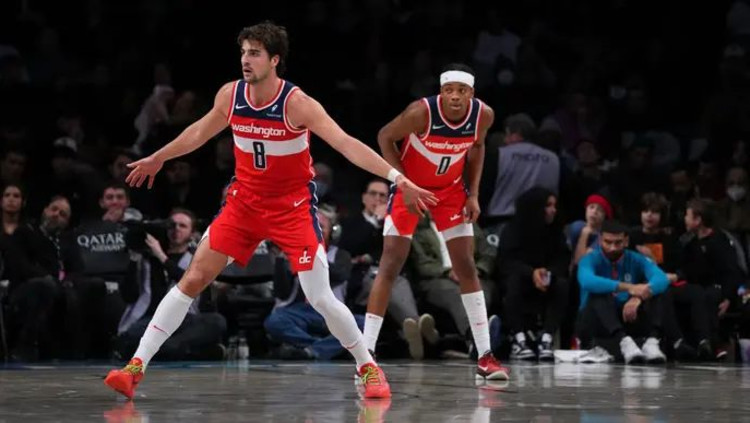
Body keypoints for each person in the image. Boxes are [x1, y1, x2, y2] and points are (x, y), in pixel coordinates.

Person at [104, 21, 436, 400]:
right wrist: (159, 157)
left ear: (275, 60)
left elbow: (346, 143)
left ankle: (368, 366)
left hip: (291, 208)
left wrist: (398, 178)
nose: (246, 60)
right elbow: (198, 132)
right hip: (244, 204)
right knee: (193, 278)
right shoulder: (231, 95)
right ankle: (135, 368)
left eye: (255, 53)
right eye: (243, 52)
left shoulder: (297, 104)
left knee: (320, 298)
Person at [362, 63, 509, 380]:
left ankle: (485, 355)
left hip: (451, 191)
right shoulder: (420, 112)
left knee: (466, 266)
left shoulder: (483, 115)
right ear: (441, 92)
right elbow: (384, 136)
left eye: (461, 91)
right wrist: (403, 184)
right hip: (411, 188)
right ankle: (366, 355)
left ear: (471, 94)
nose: (454, 96)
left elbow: (478, 147)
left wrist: (473, 194)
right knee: (390, 264)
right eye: (448, 91)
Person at [576, 220, 669, 364]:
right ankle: (623, 341)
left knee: (657, 292)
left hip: (626, 316)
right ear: (600, 240)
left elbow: (661, 278)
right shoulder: (589, 259)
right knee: (598, 293)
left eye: (618, 242)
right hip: (595, 320)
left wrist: (638, 297)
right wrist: (628, 287)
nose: (612, 248)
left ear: (626, 241)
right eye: (608, 242)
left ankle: (652, 341)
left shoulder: (635, 258)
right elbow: (587, 281)